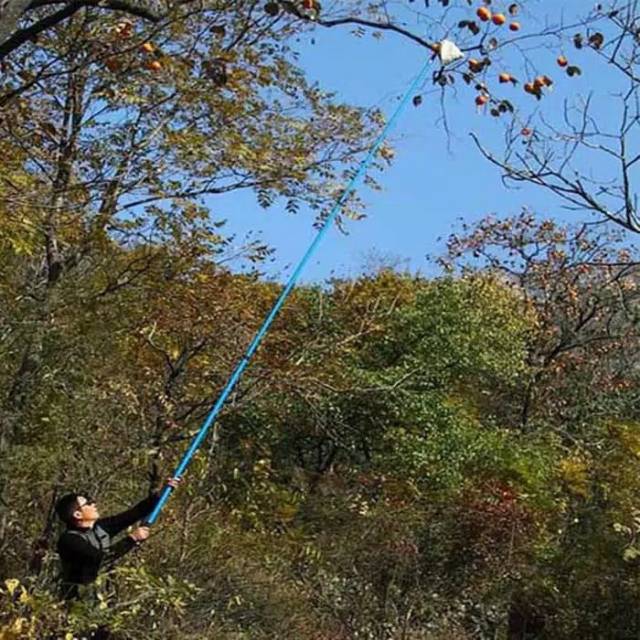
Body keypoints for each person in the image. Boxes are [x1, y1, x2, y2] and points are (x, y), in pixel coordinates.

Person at [55, 478, 181, 601]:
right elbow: (101, 558)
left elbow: (134, 513)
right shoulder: (69, 540)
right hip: (76, 604)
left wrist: (161, 494)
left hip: (101, 599)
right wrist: (132, 539)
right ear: (77, 514)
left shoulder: (101, 528)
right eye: (88, 503)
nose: (93, 504)